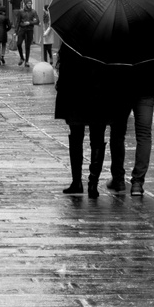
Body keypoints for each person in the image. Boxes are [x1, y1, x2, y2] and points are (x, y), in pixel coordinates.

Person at [55, 44, 132, 198]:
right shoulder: (105, 40)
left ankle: (77, 182)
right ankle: (92, 184)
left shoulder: (71, 40)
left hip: (75, 94)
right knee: (97, 139)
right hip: (99, 95)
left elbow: (63, 67)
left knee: (76, 137)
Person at [107, 49, 154, 196]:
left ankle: (118, 179)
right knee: (143, 135)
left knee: (117, 133)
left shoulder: (116, 29)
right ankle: (137, 183)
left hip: (121, 89)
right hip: (146, 88)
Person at [16, 0, 40, 67]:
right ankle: (21, 58)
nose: (29, 5)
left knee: (27, 46)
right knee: (19, 44)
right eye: (28, 3)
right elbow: (18, 22)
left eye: (30, 3)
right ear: (25, 4)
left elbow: (37, 21)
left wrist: (29, 23)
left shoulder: (33, 12)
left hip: (29, 30)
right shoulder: (21, 12)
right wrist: (16, 31)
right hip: (22, 29)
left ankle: (27, 61)